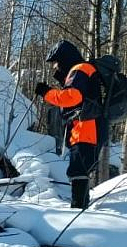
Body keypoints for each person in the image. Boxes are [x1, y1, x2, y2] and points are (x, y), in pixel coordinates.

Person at [35, 40, 109, 209]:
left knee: (79, 171)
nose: (55, 67)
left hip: (87, 129)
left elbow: (73, 97)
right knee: (79, 170)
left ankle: (78, 210)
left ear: (64, 58)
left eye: (57, 62)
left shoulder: (80, 69)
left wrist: (47, 93)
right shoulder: (82, 70)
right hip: (86, 129)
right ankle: (80, 208)